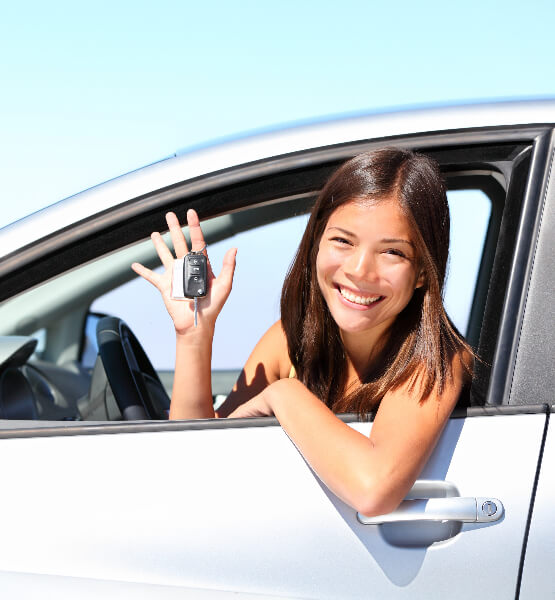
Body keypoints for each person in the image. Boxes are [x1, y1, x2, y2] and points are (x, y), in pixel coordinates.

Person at [131, 148, 473, 517]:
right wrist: (195, 334)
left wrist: (283, 394)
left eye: (392, 252)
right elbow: (195, 459)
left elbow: (374, 491)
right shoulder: (289, 341)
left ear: (423, 272)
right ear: (315, 245)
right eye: (343, 241)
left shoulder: (438, 359)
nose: (360, 270)